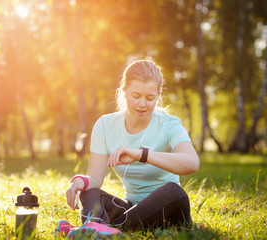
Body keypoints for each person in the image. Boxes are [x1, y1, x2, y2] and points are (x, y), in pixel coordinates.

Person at [64, 60, 199, 236]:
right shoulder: (105, 125)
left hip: (169, 213)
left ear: (158, 96)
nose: (142, 104)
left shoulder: (169, 124)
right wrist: (82, 181)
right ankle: (96, 229)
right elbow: (95, 178)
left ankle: (106, 229)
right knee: (90, 193)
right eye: (136, 96)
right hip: (131, 210)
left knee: (174, 191)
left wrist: (142, 155)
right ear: (124, 92)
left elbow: (192, 163)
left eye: (150, 98)